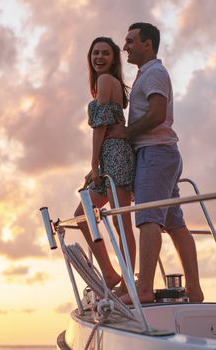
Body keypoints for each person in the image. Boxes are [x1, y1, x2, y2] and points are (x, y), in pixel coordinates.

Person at [107, 22, 204, 303]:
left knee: (148, 220)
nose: (124, 46)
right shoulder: (146, 74)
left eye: (130, 41)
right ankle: (195, 292)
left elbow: (158, 114)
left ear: (147, 44)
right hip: (163, 154)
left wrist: (125, 133)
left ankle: (144, 289)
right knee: (175, 225)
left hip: (156, 154)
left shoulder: (154, 73)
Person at [74, 37, 136, 294]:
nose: (99, 57)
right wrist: (97, 165)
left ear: (113, 59)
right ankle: (110, 275)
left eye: (105, 54)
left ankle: (128, 281)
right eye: (95, 53)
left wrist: (93, 163)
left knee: (123, 222)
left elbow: (100, 126)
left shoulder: (105, 81)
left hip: (116, 155)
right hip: (108, 155)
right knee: (82, 215)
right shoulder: (110, 83)